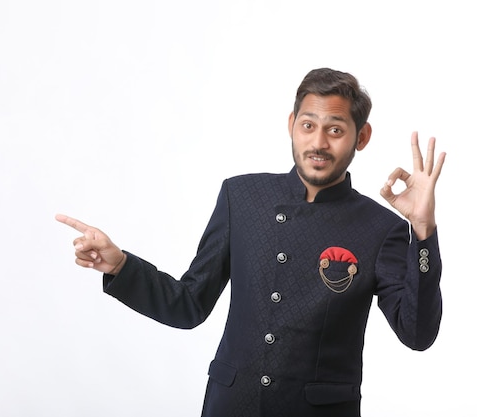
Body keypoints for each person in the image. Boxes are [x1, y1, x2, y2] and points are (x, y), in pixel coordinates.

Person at [56, 68, 446, 417]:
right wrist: (121, 265)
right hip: (231, 405)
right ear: (292, 124)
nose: (319, 143)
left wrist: (423, 233)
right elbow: (189, 304)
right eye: (308, 125)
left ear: (361, 137)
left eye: (336, 130)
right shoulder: (241, 197)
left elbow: (417, 334)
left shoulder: (381, 228)